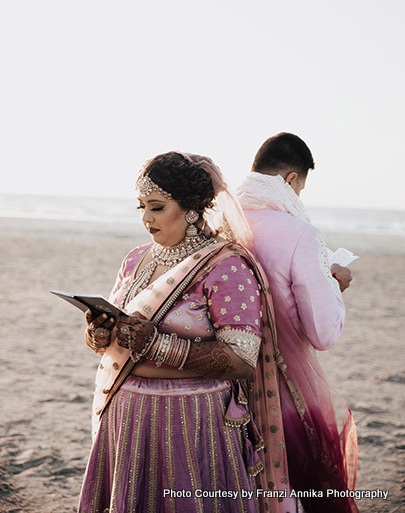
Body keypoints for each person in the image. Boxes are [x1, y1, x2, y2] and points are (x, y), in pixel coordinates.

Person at [78, 151, 293, 513]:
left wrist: (158, 344)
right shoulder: (136, 259)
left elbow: (241, 360)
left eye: (157, 207)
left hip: (191, 421)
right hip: (128, 415)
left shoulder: (226, 266)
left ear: (191, 209)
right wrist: (99, 334)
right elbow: (118, 341)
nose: (146, 218)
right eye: (141, 207)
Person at [237, 133, 359, 513]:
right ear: (290, 180)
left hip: (222, 385)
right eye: (301, 189)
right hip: (283, 389)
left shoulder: (219, 218)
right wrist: (335, 286)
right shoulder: (301, 234)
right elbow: (323, 334)